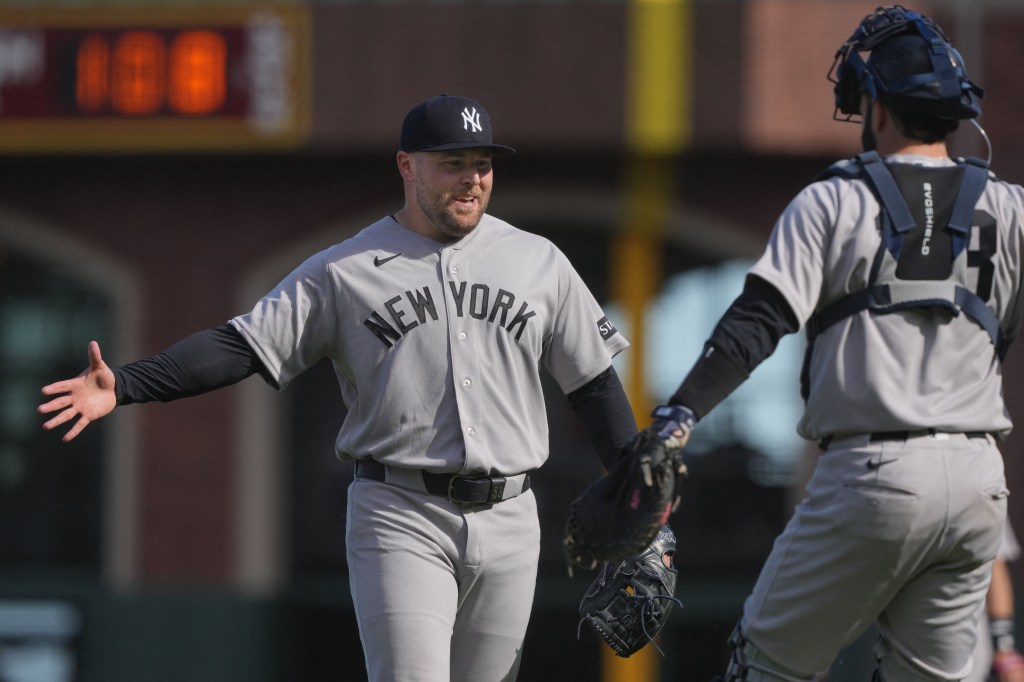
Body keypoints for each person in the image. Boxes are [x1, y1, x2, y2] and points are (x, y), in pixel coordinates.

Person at [37, 94, 638, 682]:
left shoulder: (538, 261)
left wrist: (646, 505)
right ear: (407, 166)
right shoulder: (344, 268)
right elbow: (241, 345)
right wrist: (128, 385)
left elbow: (595, 388)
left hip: (512, 515)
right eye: (451, 163)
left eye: (482, 163)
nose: (471, 179)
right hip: (402, 510)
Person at [630, 6, 1024, 681]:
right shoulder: (1013, 207)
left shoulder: (833, 200)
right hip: (977, 482)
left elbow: (759, 320)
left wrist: (676, 418)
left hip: (872, 474)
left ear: (876, 107)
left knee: (765, 667)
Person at [969, 520, 1024, 682]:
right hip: (896, 654)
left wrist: (1004, 647)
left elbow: (995, 564)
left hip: (970, 658)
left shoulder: (982, 495)